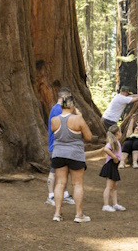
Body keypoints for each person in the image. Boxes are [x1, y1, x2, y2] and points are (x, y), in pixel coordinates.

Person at [51, 93, 93, 223]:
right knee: (77, 184)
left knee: (60, 183)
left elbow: (56, 134)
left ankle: (57, 213)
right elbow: (89, 137)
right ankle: (79, 215)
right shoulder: (78, 119)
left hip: (58, 153)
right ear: (73, 105)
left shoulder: (54, 120)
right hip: (75, 154)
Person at [46, 86, 75, 206]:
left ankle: (65, 194)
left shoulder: (58, 109)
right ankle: (51, 195)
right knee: (54, 171)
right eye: (68, 97)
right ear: (63, 97)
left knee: (64, 171)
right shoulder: (58, 110)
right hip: (56, 146)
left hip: (62, 146)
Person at [100, 125, 126, 212]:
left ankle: (115, 204)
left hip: (114, 166)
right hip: (110, 165)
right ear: (118, 133)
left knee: (114, 186)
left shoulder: (116, 142)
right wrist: (114, 157)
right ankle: (106, 205)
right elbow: (106, 149)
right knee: (109, 186)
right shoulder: (112, 142)